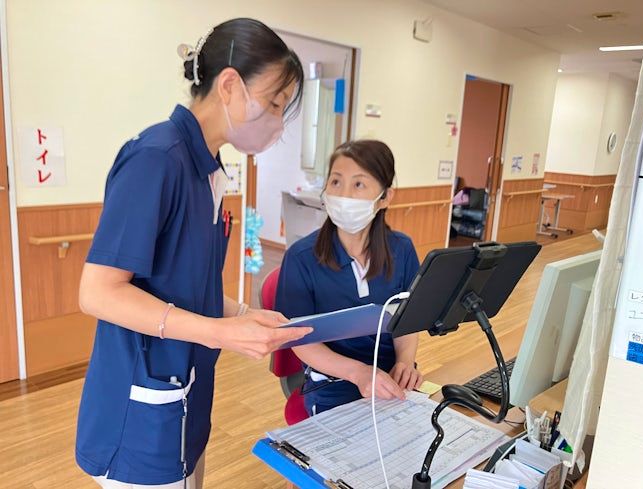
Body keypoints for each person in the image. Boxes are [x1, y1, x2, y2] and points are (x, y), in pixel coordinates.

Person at [75, 18, 312, 488]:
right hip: (139, 409)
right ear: (230, 85)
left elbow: (187, 287)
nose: (278, 124)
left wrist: (243, 315)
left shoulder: (207, 169)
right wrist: (221, 332)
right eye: (274, 103)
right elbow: (98, 293)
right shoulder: (156, 158)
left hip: (186, 392)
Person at [275, 140, 423, 415]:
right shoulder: (301, 258)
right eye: (335, 182)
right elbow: (299, 340)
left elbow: (408, 319)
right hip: (332, 385)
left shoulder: (402, 250)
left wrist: (405, 362)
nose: (344, 194)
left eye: (358, 184)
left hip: (392, 381)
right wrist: (360, 373)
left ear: (385, 197)